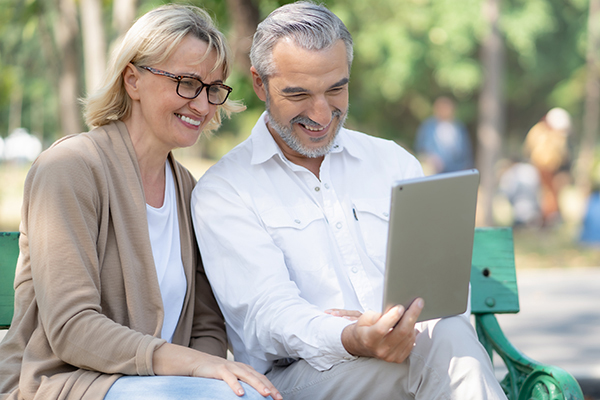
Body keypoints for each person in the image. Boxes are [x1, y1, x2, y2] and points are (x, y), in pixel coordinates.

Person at [192, 2, 507, 399]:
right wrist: (352, 338)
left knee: (447, 337)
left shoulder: (392, 161)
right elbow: (267, 314)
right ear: (259, 83)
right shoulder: (225, 190)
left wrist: (392, 326)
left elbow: (441, 287)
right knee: (440, 361)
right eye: (299, 93)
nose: (321, 113)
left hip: (414, 353)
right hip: (297, 381)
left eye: (336, 89)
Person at [0, 5, 281, 400]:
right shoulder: (70, 168)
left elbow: (206, 324)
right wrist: (192, 368)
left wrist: (205, 374)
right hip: (63, 384)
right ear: (133, 79)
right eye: (186, 82)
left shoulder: (189, 191)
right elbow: (72, 327)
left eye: (213, 89)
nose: (201, 105)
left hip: (161, 388)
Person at [523, 107, 572, 227]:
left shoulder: (558, 135)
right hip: (540, 168)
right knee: (544, 195)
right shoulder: (538, 131)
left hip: (553, 170)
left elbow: (563, 154)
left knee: (552, 195)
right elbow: (529, 150)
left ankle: (550, 219)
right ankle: (543, 219)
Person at [414, 96, 474, 174]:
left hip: (457, 172)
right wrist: (429, 160)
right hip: (434, 174)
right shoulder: (427, 127)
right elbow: (420, 150)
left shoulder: (459, 127)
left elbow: (466, 153)